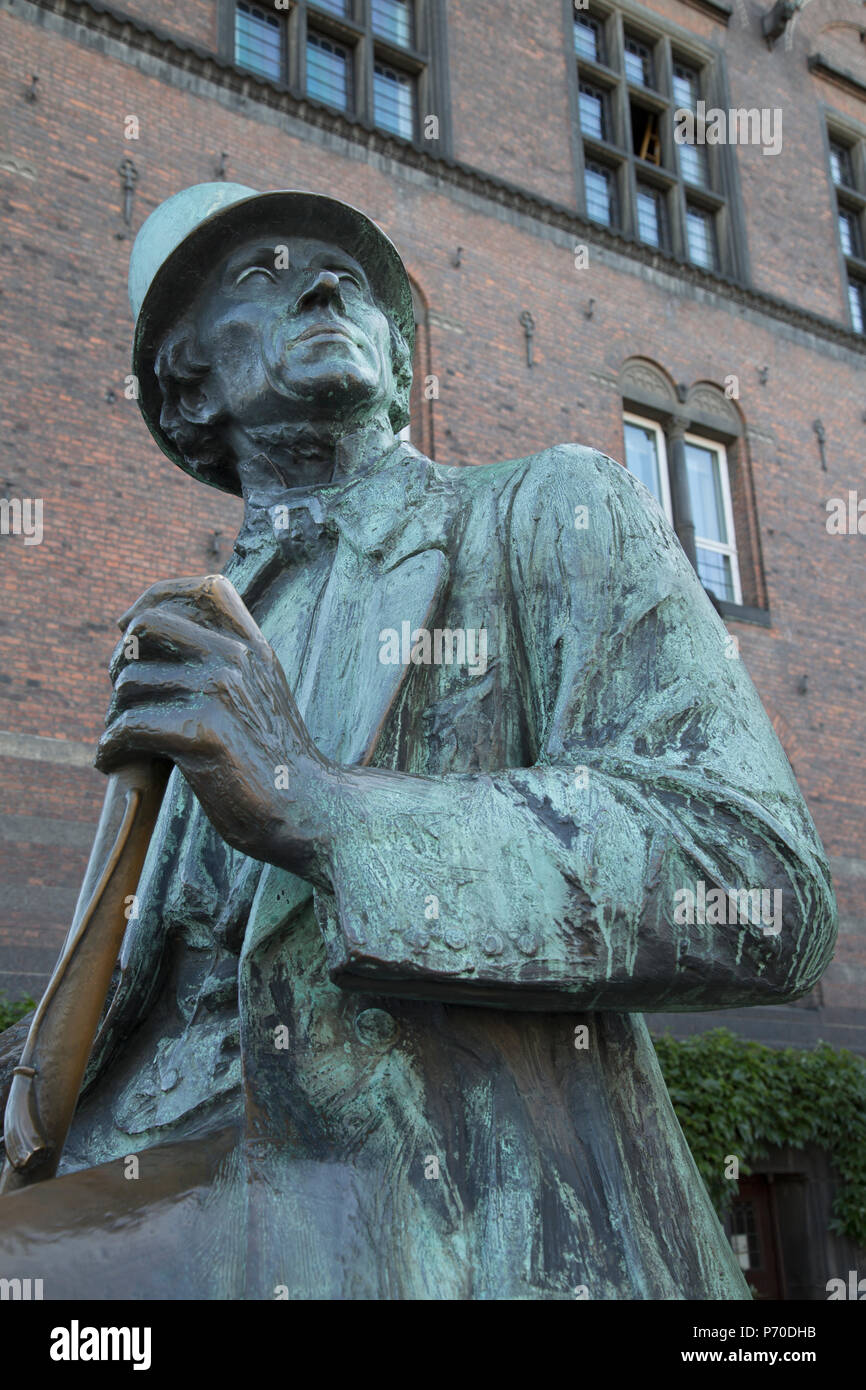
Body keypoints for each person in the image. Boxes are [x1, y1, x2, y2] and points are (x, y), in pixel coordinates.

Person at [0, 183, 836, 1299]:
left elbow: (760, 883)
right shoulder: (184, 639)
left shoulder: (548, 508)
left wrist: (320, 808)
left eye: (350, 280)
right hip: (146, 1193)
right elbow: (125, 1005)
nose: (327, 283)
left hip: (421, 1221)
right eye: (263, 273)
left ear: (400, 365)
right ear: (187, 379)